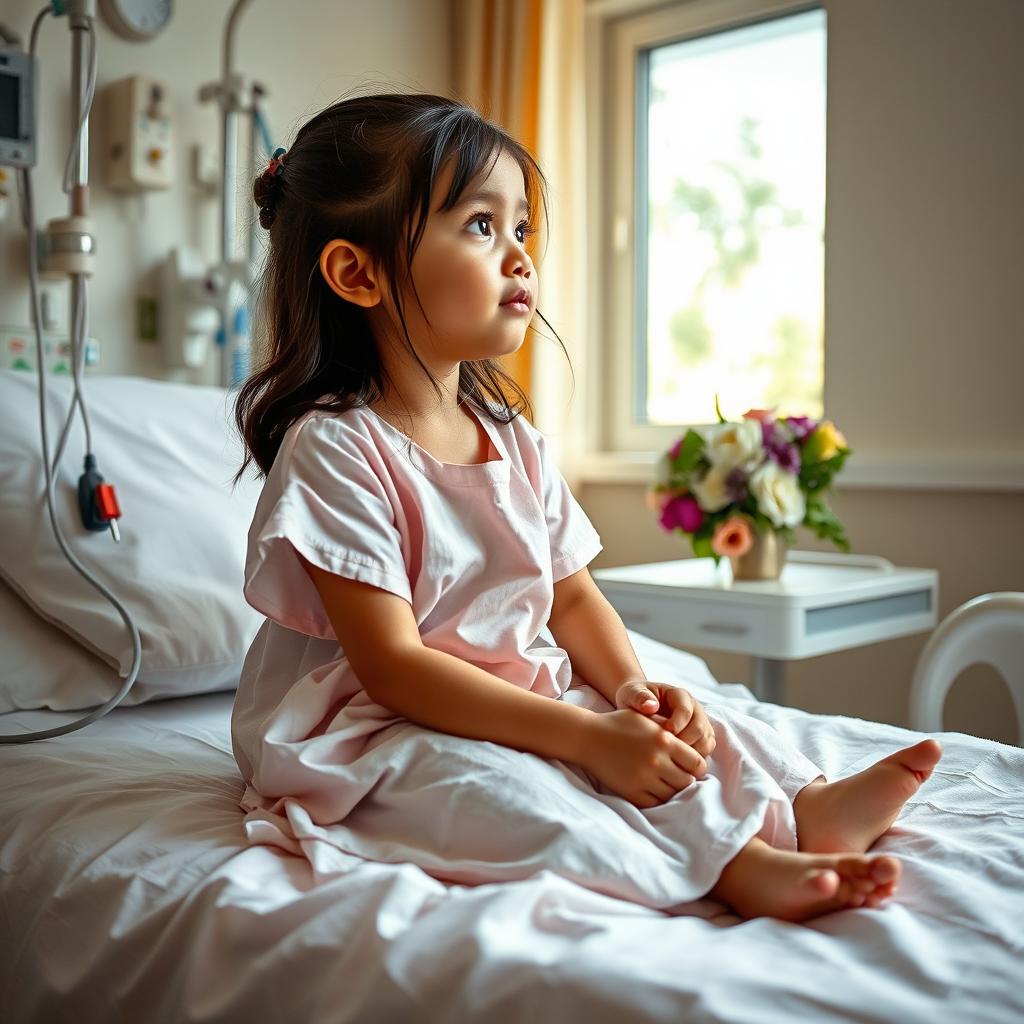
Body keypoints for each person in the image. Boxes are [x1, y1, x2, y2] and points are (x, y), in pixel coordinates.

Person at [229, 92, 943, 924]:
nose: (521, 258)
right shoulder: (339, 447)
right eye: (480, 226)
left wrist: (636, 693)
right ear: (360, 273)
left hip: (511, 685)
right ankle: (732, 870)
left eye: (522, 230)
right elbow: (394, 665)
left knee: (702, 719)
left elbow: (571, 597)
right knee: (506, 785)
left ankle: (808, 807)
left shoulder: (511, 437)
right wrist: (582, 739)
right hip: (378, 721)